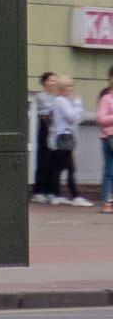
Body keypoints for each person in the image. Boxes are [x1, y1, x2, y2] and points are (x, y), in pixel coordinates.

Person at [48, 76, 93, 206]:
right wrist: (78, 103)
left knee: (58, 168)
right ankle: (75, 196)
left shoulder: (60, 100)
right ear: (62, 88)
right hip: (64, 137)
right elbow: (72, 116)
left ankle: (56, 195)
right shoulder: (61, 101)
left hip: (61, 137)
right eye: (68, 86)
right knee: (70, 168)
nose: (71, 89)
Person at [31, 72, 57, 204]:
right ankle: (38, 191)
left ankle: (48, 190)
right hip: (44, 127)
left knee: (51, 160)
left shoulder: (55, 97)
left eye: (55, 81)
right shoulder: (41, 96)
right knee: (43, 159)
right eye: (52, 80)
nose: (54, 83)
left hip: (53, 128)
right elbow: (50, 108)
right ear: (45, 82)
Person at [96, 66, 113, 214]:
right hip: (109, 138)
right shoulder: (106, 99)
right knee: (109, 171)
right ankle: (107, 202)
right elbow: (101, 119)